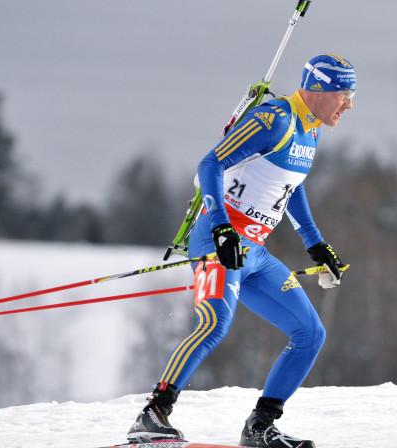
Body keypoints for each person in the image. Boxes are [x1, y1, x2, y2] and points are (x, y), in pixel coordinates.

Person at [127, 54, 355, 448]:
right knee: (214, 323)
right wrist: (219, 227)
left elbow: (292, 186)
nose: (349, 104)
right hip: (219, 243)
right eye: (343, 93)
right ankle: (153, 413)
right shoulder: (275, 119)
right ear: (318, 89)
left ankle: (260, 426)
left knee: (310, 333)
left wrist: (315, 244)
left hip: (255, 252)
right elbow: (209, 164)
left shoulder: (311, 130)